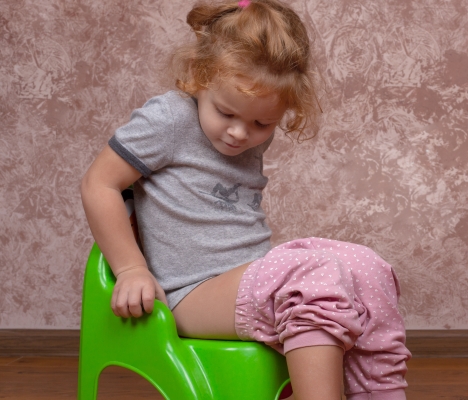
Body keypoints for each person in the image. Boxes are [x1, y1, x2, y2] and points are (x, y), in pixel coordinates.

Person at [80, 1, 411, 399]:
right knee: (315, 273)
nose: (239, 133)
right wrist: (132, 268)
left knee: (366, 265)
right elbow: (99, 184)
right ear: (199, 76)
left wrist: (247, 122)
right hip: (191, 292)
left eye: (261, 123)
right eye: (226, 112)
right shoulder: (168, 118)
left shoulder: (248, 125)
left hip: (249, 281)